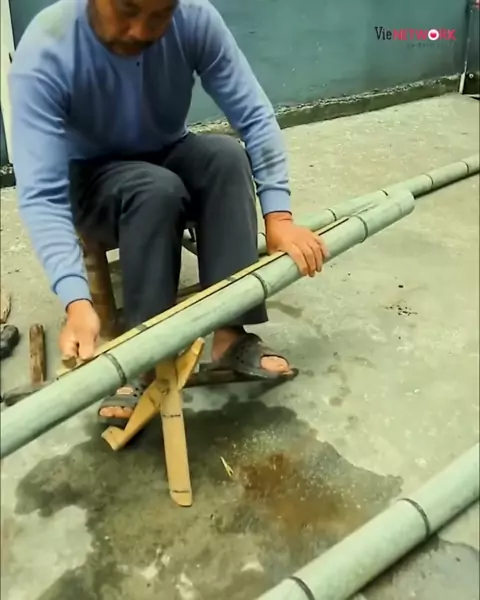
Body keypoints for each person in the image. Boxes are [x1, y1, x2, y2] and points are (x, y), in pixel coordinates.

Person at [8, 0, 328, 426]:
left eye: (159, 15)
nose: (142, 31)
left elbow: (253, 114)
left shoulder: (194, 18)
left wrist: (279, 219)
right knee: (155, 190)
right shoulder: (48, 48)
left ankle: (230, 334)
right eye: (127, 9)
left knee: (225, 158)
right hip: (90, 175)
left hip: (167, 148)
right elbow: (43, 195)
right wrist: (76, 301)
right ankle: (141, 361)